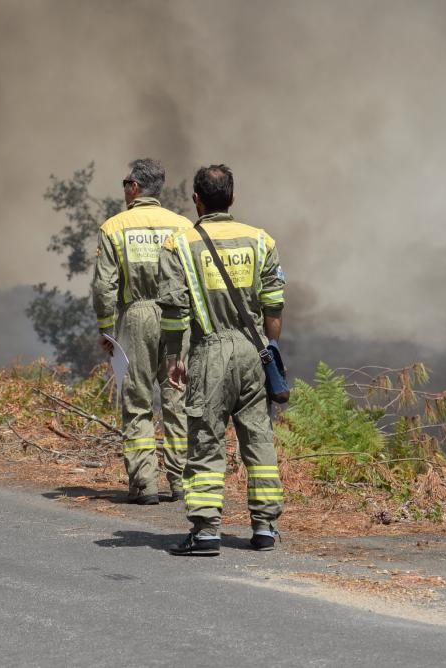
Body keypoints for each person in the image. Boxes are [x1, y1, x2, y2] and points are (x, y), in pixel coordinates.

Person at [156, 164, 286, 555]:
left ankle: (207, 531)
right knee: (259, 438)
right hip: (253, 350)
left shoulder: (179, 245)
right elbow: (274, 305)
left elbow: (176, 311)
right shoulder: (261, 241)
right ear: (232, 198)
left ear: (196, 200)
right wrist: (271, 352)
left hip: (209, 351)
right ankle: (264, 528)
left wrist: (173, 358)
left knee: (206, 439)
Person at [92, 158, 193, 505]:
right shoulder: (182, 226)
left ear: (134, 187)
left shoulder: (114, 227)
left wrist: (107, 329)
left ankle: (144, 484)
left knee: (137, 403)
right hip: (178, 317)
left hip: (137, 316)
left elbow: (104, 286)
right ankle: (181, 482)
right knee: (177, 398)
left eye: (125, 184)